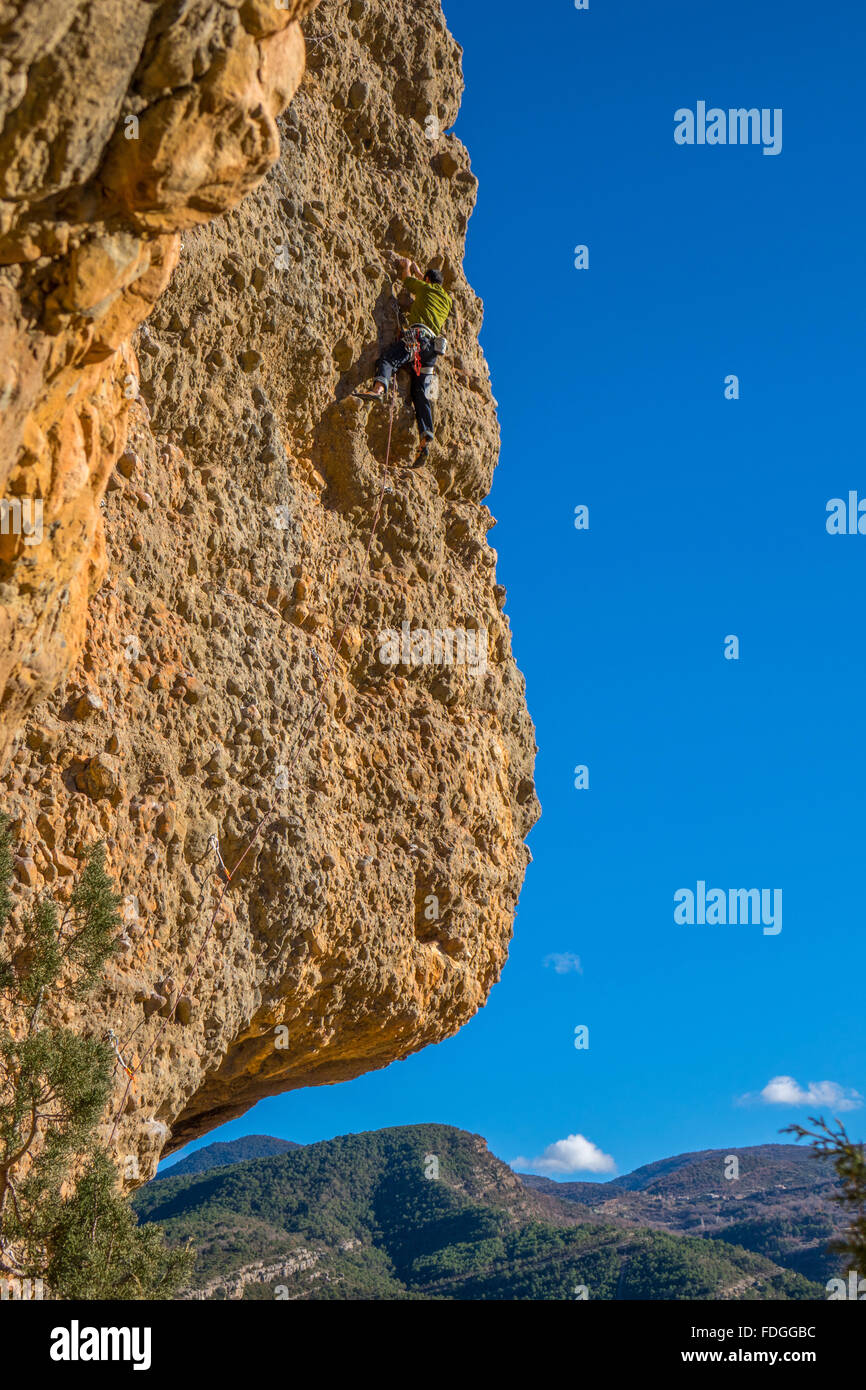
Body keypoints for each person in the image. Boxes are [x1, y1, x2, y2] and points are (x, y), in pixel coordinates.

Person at [356, 257, 452, 467]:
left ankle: (378, 389)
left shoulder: (424, 290)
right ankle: (425, 436)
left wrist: (408, 267)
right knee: (421, 394)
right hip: (431, 352)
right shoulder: (446, 300)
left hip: (417, 338)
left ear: (426, 280)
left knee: (389, 358)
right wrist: (422, 274)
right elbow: (426, 285)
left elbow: (406, 280)